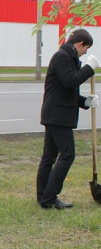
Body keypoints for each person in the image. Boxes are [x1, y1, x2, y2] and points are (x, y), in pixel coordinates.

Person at [36, 28, 98, 210]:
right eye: (85, 48)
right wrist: (89, 69)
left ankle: (43, 197)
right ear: (79, 44)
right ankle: (49, 197)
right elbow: (70, 81)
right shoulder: (61, 57)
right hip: (57, 116)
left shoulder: (69, 59)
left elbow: (68, 90)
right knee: (67, 154)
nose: (85, 52)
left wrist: (85, 101)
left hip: (56, 113)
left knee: (49, 156)